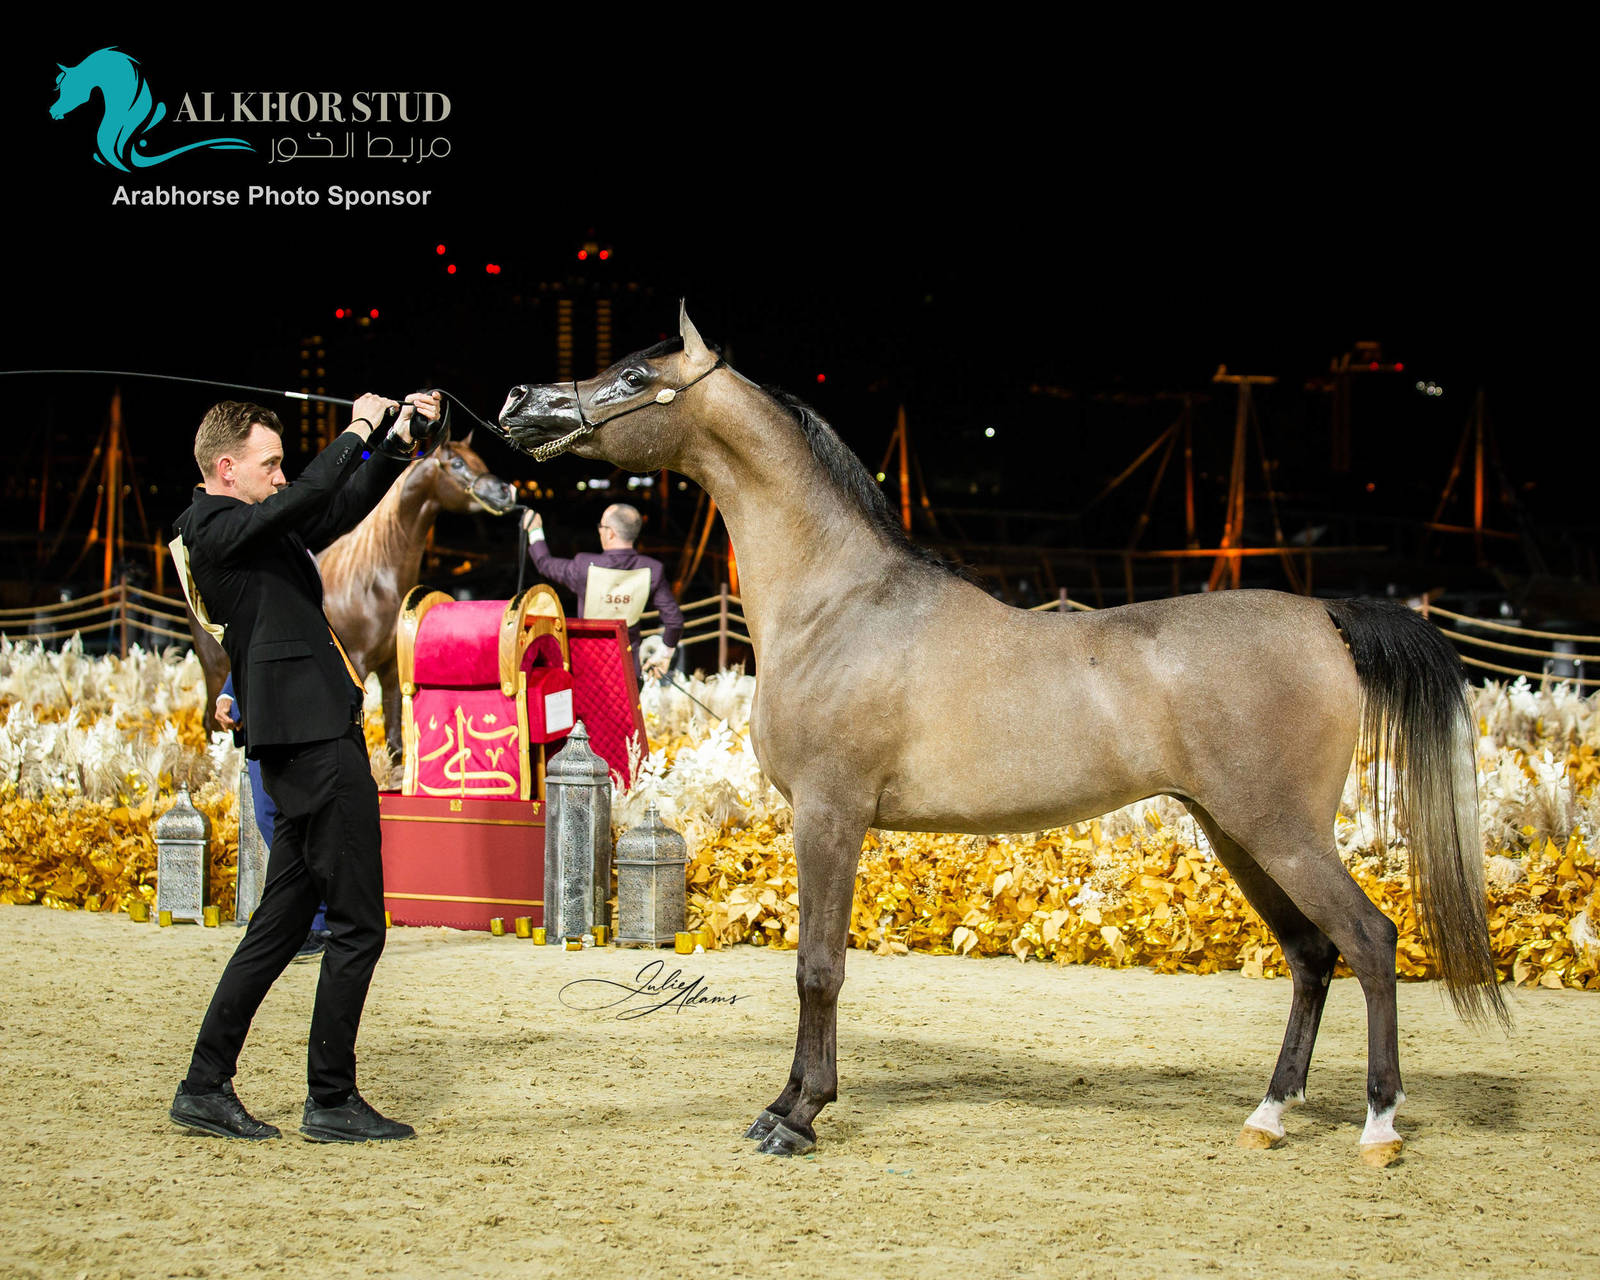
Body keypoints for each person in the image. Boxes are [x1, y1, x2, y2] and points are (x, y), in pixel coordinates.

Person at [168, 391, 439, 1143]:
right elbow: (316, 489)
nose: (282, 476)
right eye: (269, 464)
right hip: (312, 743)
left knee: (278, 928)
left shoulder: (257, 527)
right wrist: (355, 424)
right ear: (225, 469)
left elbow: (333, 504)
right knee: (359, 925)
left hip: (309, 738)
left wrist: (394, 440)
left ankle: (203, 1083)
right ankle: (331, 1099)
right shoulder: (212, 527)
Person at [216, 675, 328, 963]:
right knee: (269, 817)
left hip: (295, 713)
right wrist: (230, 693)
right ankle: (307, 917)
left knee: (295, 819)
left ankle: (319, 920)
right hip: (258, 718)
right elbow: (248, 643)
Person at [522, 502, 682, 679]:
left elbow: (545, 563)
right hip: (629, 673)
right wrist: (664, 655)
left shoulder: (583, 566)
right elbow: (674, 622)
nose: (600, 530)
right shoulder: (652, 569)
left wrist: (534, 530)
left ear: (610, 533)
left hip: (587, 668)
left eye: (601, 526)